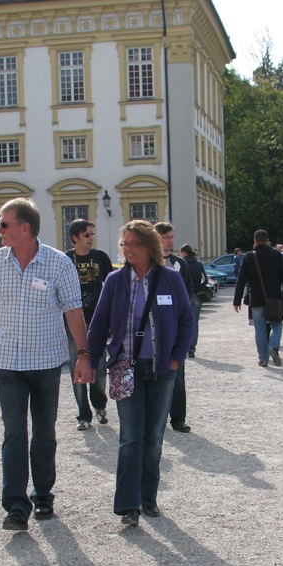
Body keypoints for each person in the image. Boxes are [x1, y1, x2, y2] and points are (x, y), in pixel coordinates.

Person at [0, 198, 91, 532]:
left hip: (45, 361)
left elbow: (73, 309)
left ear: (25, 228)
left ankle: (43, 494)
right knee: (14, 432)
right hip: (8, 363)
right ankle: (15, 506)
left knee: (43, 432)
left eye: (4, 224)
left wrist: (83, 354)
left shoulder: (58, 263)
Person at [87, 220, 193, 527]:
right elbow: (98, 324)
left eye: (134, 243)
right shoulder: (115, 281)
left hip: (162, 371)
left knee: (153, 438)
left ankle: (148, 499)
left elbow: (187, 320)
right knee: (130, 438)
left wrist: (176, 359)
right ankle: (128, 505)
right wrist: (91, 363)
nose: (128, 249)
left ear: (149, 246)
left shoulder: (170, 279)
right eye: (125, 244)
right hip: (126, 368)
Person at [64, 219, 113, 430]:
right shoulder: (66, 259)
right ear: (75, 238)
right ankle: (83, 415)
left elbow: (111, 287)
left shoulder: (100, 257)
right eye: (86, 235)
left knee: (99, 369)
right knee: (77, 369)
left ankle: (100, 404)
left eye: (92, 233)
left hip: (97, 322)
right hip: (72, 324)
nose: (91, 238)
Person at [233, 229, 283, 367]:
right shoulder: (277, 255)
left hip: (257, 298)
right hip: (275, 297)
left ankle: (263, 358)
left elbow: (241, 280)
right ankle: (273, 346)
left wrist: (237, 300)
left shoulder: (249, 257)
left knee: (260, 328)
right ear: (267, 240)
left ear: (255, 241)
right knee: (277, 324)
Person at [155, 222, 194, 433]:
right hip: (153, 326)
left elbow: (188, 293)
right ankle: (155, 417)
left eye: (172, 237)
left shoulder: (179, 264)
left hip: (174, 326)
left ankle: (178, 418)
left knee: (177, 374)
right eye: (166, 237)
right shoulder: (148, 261)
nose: (170, 241)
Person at [178, 244, 207, 358]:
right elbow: (205, 279)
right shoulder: (199, 264)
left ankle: (183, 347)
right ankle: (192, 348)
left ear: (184, 252)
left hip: (184, 295)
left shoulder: (181, 264)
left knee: (182, 322)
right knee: (194, 322)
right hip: (197, 296)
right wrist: (199, 287)